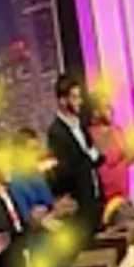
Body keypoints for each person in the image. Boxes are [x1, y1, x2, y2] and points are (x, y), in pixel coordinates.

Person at [45, 73, 104, 241]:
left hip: (94, 196)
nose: (80, 102)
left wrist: (97, 154)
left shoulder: (81, 125)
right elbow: (67, 169)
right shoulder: (56, 133)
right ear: (62, 101)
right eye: (75, 97)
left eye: (79, 97)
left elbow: (92, 154)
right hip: (79, 204)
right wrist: (90, 157)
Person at [89, 93, 134, 210]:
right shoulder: (92, 134)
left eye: (110, 106)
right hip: (108, 197)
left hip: (124, 193)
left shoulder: (117, 129)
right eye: (106, 107)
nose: (111, 110)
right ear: (96, 112)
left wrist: (132, 154)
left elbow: (125, 158)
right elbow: (108, 162)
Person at [9, 128, 61, 224]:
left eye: (37, 149)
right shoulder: (16, 182)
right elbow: (27, 219)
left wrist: (60, 206)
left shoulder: (38, 174)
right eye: (31, 150)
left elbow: (50, 202)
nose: (36, 154)